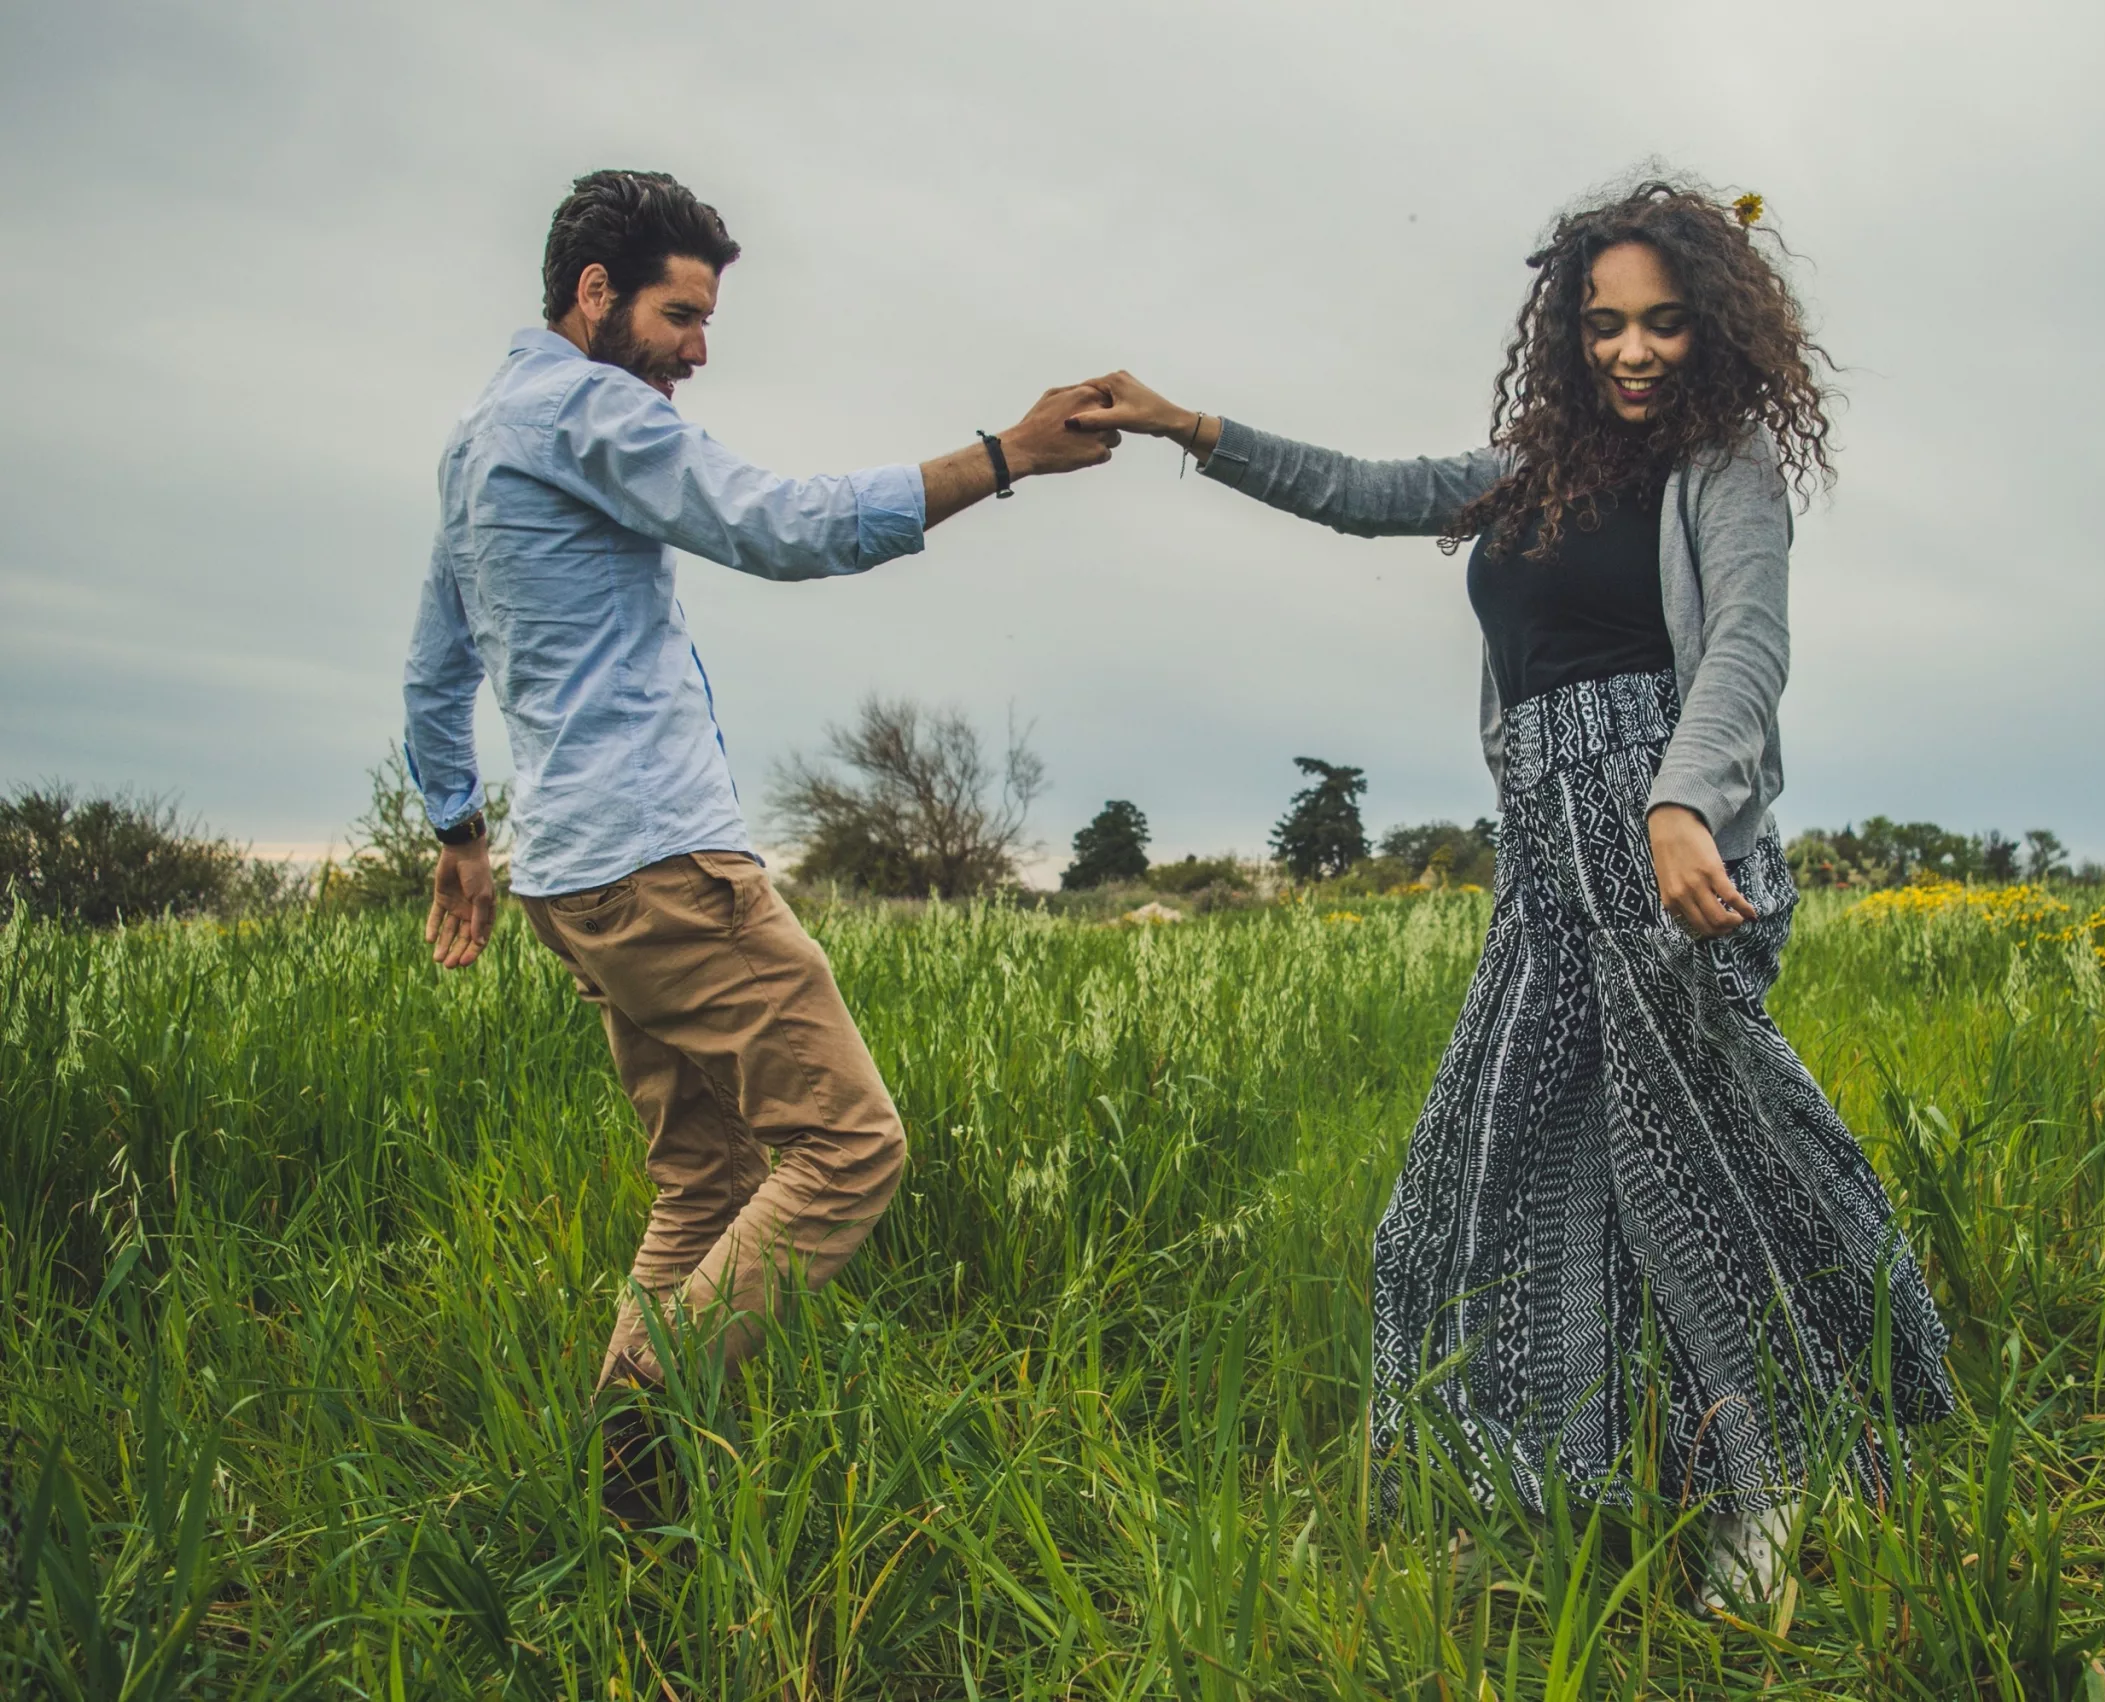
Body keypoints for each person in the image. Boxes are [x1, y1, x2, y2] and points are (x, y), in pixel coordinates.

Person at [1071, 178, 1954, 1605]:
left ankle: (1771, 1483)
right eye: (1604, 324)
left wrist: (1681, 802)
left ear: (1714, 330)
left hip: (1669, 856)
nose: (1633, 352)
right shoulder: (1531, 469)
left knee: (1702, 1185)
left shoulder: (1726, 466)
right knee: (1465, 1199)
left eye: (1664, 324)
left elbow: (1745, 645)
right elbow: (1363, 494)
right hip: (1549, 868)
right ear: (1567, 332)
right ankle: (1535, 1492)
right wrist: (1191, 428)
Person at [402, 169, 1116, 1515]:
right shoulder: (589, 410)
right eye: (681, 314)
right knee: (851, 1147)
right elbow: (788, 525)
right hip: (667, 863)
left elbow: (437, 665)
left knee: (705, 1177)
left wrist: (458, 826)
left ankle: (627, 1499)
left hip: (572, 876)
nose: (698, 349)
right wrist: (1006, 455)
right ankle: (645, 1415)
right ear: (595, 293)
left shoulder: (478, 431)